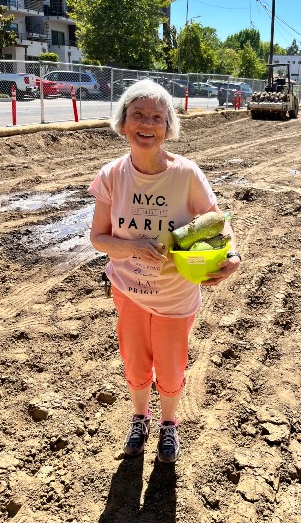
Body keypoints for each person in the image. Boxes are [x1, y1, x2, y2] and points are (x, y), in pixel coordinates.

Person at [88, 79, 241, 463]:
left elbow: (218, 222)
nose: (147, 123)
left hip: (175, 295)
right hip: (128, 291)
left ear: (168, 126)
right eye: (138, 115)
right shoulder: (111, 175)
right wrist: (133, 247)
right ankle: (139, 417)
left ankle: (168, 424)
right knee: (135, 362)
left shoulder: (186, 174)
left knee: (171, 370)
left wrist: (233, 255)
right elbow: (98, 238)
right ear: (123, 123)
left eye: (157, 117)